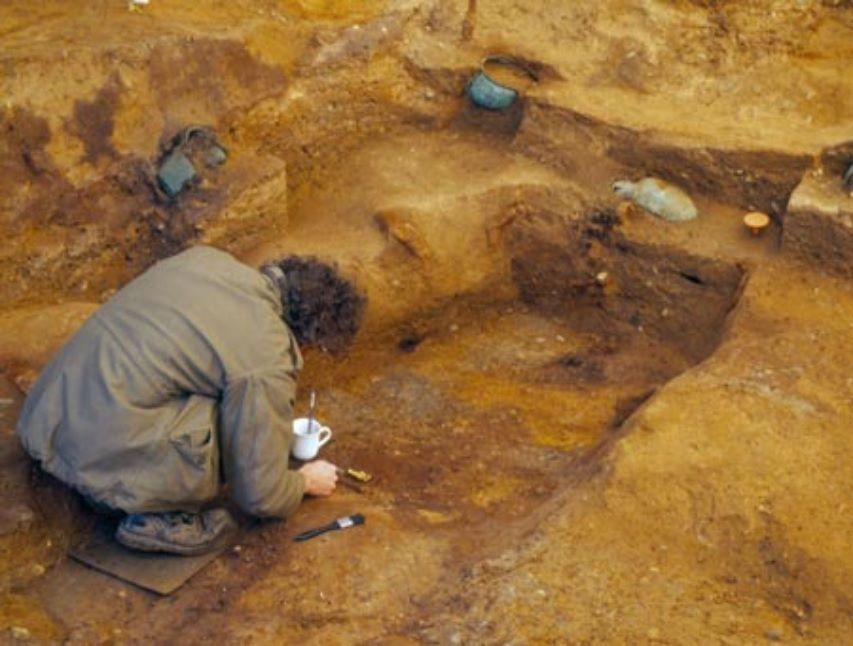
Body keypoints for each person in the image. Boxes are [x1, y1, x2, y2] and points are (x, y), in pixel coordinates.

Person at [15, 246, 365, 555]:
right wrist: (303, 481)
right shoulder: (266, 354)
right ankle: (156, 517)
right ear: (310, 338)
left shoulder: (206, 260)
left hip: (46, 414)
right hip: (89, 449)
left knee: (222, 398)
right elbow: (260, 495)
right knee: (230, 432)